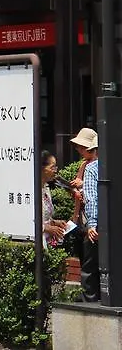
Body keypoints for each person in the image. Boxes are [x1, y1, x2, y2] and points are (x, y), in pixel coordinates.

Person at [70, 127, 100, 301]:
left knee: (89, 264)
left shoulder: (90, 168)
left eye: (80, 147)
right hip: (92, 221)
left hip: (90, 222)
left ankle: (90, 299)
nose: (78, 150)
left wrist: (92, 223)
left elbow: (92, 197)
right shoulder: (89, 165)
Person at [40, 151, 70, 248]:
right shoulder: (30, 191)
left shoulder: (45, 188)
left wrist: (54, 222)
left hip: (48, 242)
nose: (55, 171)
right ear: (41, 168)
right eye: (52, 167)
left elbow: (44, 217)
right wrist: (47, 228)